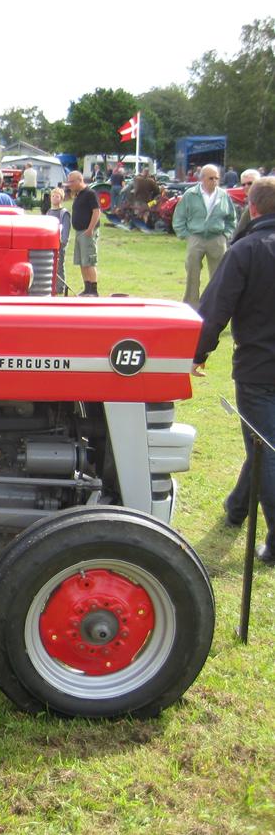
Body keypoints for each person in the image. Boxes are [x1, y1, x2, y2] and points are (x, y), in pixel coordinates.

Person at [191, 177, 275, 564]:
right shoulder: (246, 249)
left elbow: (214, 308)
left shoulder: (246, 250)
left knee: (265, 449)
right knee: (263, 443)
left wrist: (196, 352)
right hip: (259, 365)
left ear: (252, 208)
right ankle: (237, 507)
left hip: (259, 368)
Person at [172, 164, 237, 307]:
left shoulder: (223, 195)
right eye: (211, 178)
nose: (214, 181)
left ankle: (216, 306)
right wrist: (186, 235)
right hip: (196, 237)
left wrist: (226, 234)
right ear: (202, 179)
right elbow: (179, 217)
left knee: (219, 275)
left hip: (217, 238)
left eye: (217, 178)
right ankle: (191, 305)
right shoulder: (190, 194)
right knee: (192, 274)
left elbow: (231, 218)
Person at [65, 170, 101, 296]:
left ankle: (93, 289)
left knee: (89, 260)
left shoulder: (90, 193)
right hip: (79, 232)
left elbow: (96, 211)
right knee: (82, 261)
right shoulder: (78, 194)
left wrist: (90, 229)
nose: (69, 185)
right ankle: (87, 287)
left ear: (80, 180)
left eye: (71, 182)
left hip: (87, 231)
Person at [44, 188, 71, 293]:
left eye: (57, 196)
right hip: (49, 244)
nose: (54, 198)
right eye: (53, 196)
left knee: (59, 265)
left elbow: (66, 229)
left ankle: (60, 287)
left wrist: (63, 242)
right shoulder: (49, 212)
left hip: (59, 243)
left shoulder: (64, 213)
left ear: (61, 198)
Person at [231, 169, 262, 242]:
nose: (246, 186)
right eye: (243, 184)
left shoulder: (265, 201)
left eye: (250, 183)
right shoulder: (247, 203)